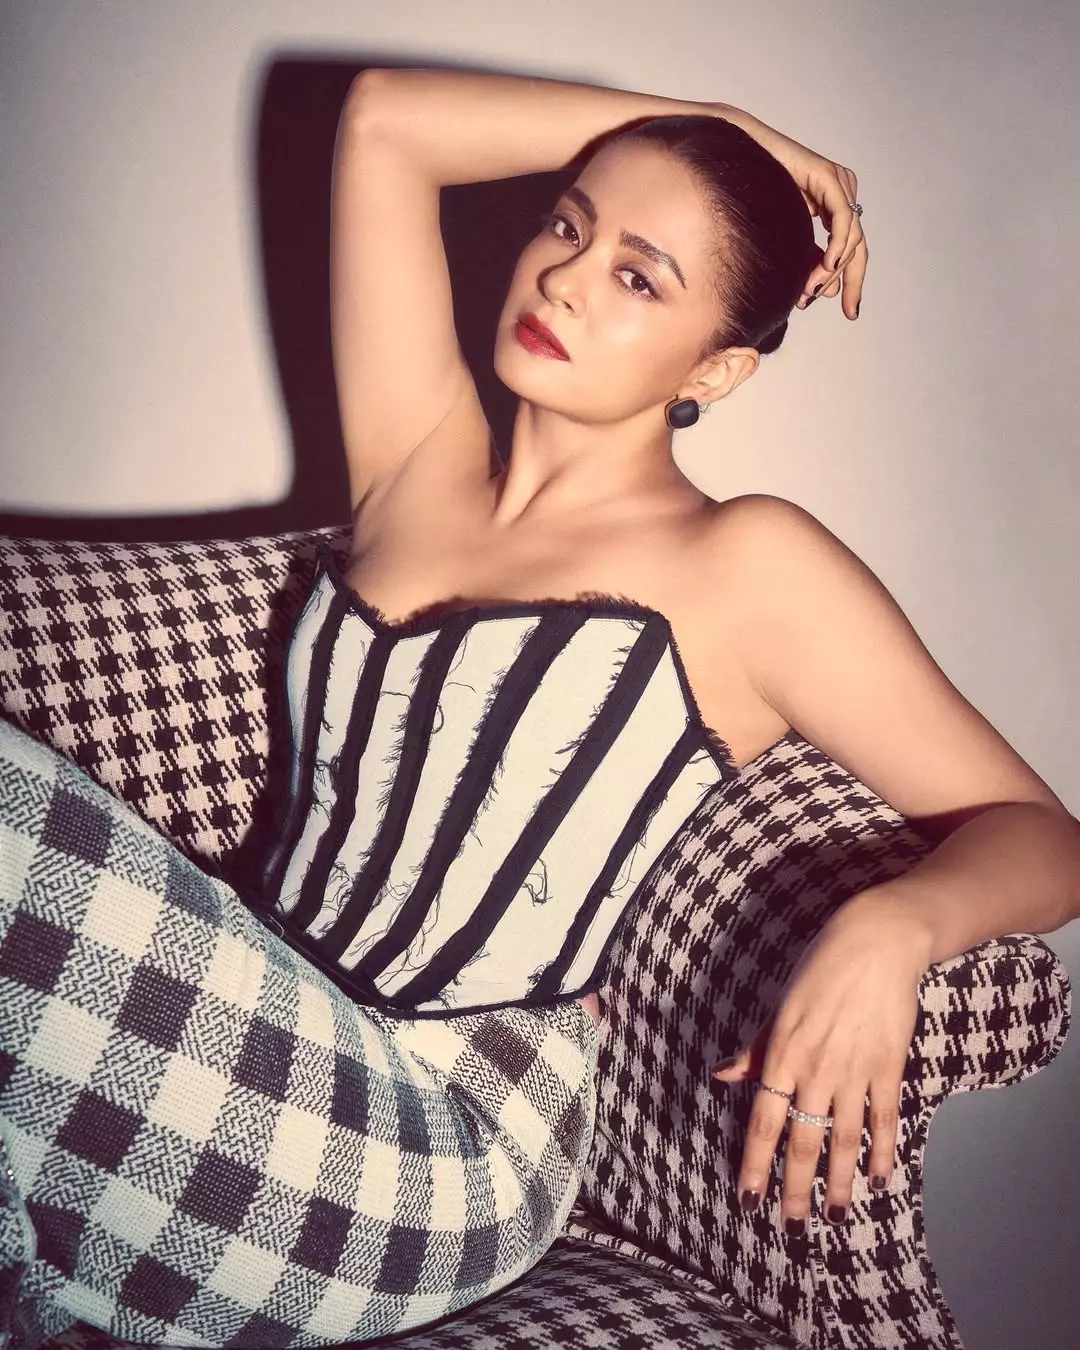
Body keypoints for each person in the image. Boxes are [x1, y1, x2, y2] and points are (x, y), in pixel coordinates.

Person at [1, 65, 1078, 1348]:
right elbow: (387, 123)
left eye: (639, 278)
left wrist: (896, 926)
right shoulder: (419, 463)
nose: (565, 278)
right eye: (569, 224)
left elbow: (1043, 836)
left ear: (719, 367)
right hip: (257, 1042)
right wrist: (716, 124)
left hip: (443, 1142)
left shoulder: (746, 564)